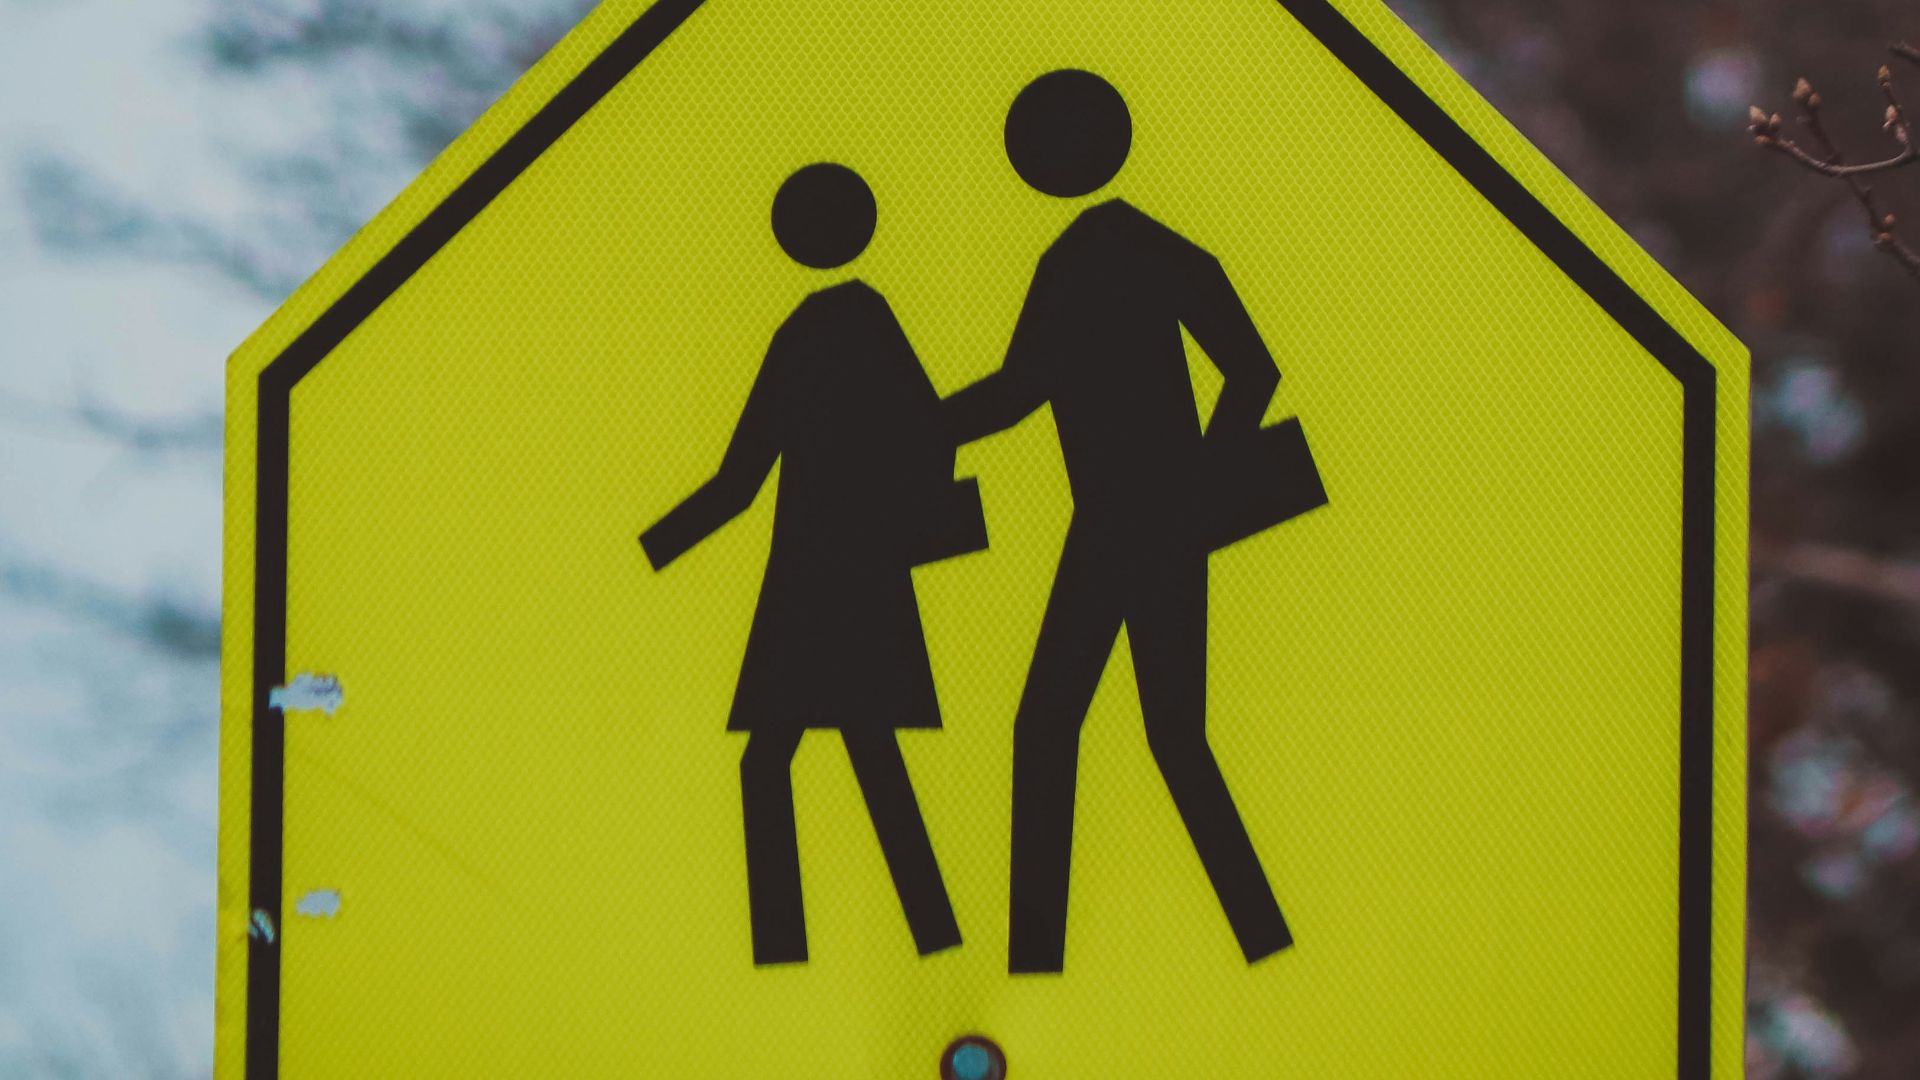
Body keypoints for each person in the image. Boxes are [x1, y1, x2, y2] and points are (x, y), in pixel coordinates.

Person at [945, 70, 1296, 973]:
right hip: (1121, 523)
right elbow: (1021, 391)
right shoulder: (1093, 255)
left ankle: (1046, 955)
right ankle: (1247, 935)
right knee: (1135, 734)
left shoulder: (1117, 251)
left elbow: (1250, 368)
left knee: (1080, 727)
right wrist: (920, 424)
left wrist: (1200, 486)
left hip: (1137, 523)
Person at [642, 162, 978, 966]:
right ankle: (926, 932)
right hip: (849, 577)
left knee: (780, 762)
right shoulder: (861, 321)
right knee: (860, 753)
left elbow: (741, 479)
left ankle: (790, 946)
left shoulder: (813, 332)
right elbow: (928, 435)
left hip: (815, 582)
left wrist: (651, 551)